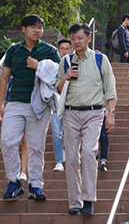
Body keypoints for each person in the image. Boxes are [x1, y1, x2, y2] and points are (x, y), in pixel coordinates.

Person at [57, 23, 116, 214]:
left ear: (89, 38)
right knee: (72, 157)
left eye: (80, 38)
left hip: (94, 112)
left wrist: (111, 113)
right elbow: (57, 89)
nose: (76, 42)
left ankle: (88, 199)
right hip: (70, 113)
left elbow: (110, 88)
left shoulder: (101, 59)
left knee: (89, 152)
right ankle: (75, 202)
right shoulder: (65, 61)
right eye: (73, 38)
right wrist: (66, 77)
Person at [0, 14, 61, 201]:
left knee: (36, 146)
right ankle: (14, 181)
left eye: (40, 27)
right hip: (16, 102)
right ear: (23, 29)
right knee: (7, 141)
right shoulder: (13, 51)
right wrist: (1, 103)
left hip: (40, 105)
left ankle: (35, 185)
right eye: (33, 27)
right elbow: (5, 77)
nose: (37, 30)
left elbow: (59, 77)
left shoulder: (50, 51)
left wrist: (39, 66)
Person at [51, 39, 73, 172]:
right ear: (58, 50)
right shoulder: (53, 65)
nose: (64, 51)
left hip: (70, 104)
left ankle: (67, 152)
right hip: (54, 104)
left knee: (69, 133)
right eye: (62, 49)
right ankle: (59, 161)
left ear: (71, 50)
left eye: (67, 48)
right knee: (56, 134)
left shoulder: (74, 64)